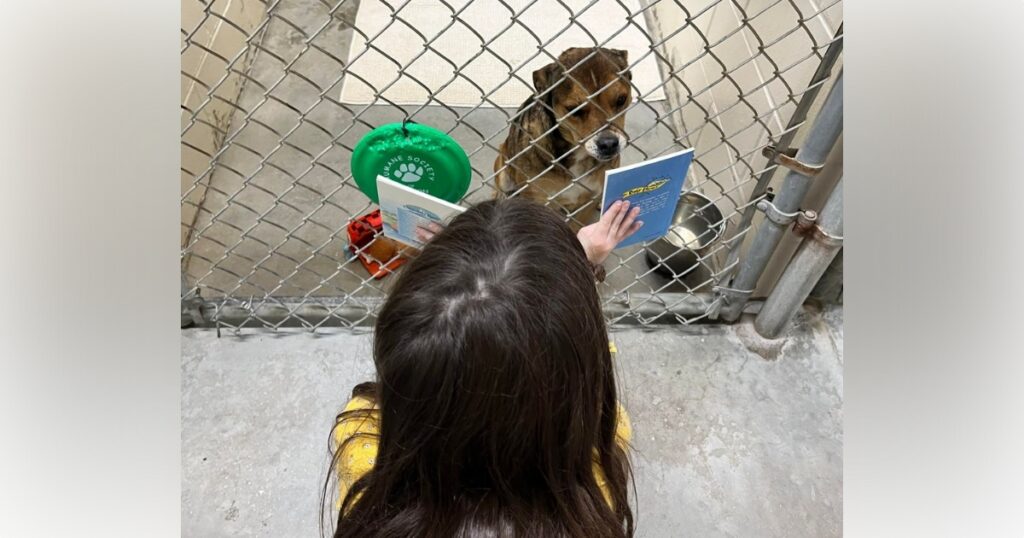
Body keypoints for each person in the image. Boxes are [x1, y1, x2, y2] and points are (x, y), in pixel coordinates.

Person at [324, 198, 643, 538]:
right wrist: (578, 270)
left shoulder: (360, 438)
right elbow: (576, 359)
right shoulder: (592, 485)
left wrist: (455, 279)